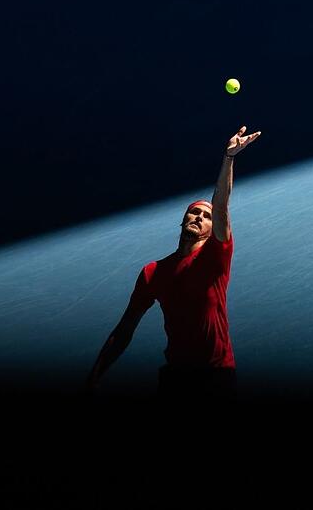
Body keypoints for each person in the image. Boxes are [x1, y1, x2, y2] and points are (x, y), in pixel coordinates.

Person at [86, 126, 262, 401]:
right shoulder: (152, 273)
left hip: (217, 376)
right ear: (183, 219)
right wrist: (95, 374)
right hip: (176, 377)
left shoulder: (216, 255)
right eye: (194, 212)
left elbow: (222, 206)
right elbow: (124, 329)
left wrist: (229, 158)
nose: (198, 217)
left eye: (205, 215)